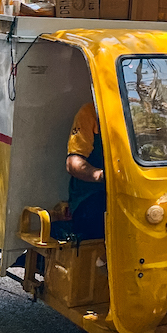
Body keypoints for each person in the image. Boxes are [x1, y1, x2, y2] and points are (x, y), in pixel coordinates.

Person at [65, 99, 106, 240]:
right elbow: (73, 163)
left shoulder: (141, 113)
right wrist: (100, 175)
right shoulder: (90, 113)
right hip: (90, 197)